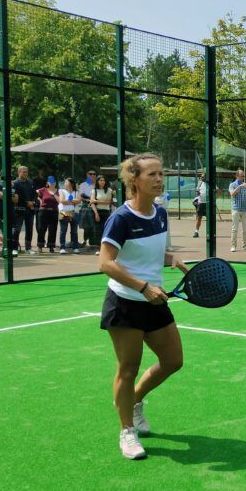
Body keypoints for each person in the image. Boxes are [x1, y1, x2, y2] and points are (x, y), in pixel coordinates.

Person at [98, 153, 188, 460]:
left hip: (154, 300)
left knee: (173, 360)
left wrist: (171, 258)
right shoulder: (121, 219)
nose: (159, 179)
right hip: (126, 302)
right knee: (128, 368)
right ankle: (127, 431)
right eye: (152, 174)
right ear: (133, 179)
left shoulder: (160, 213)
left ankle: (133, 400)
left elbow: (148, 253)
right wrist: (142, 287)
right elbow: (105, 263)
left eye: (161, 173)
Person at [11, 165, 36, 255]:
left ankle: (28, 248)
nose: (26, 173)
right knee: (16, 229)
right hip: (19, 209)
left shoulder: (30, 182)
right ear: (19, 172)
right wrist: (26, 203)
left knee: (29, 229)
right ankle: (14, 248)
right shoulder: (14, 183)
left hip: (30, 209)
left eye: (27, 172)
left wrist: (33, 202)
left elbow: (34, 194)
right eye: (24, 172)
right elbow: (14, 197)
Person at [57, 178, 81, 254]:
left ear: (71, 184)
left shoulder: (76, 192)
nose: (65, 183)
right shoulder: (62, 191)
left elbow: (79, 200)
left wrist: (68, 201)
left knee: (74, 231)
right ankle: (62, 247)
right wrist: (73, 202)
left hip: (73, 212)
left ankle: (75, 247)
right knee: (63, 231)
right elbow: (62, 201)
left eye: (66, 182)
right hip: (63, 212)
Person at [36, 176, 59, 253]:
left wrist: (53, 193)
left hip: (54, 211)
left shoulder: (58, 191)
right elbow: (36, 192)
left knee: (53, 229)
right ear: (47, 183)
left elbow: (59, 201)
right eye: (50, 182)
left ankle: (51, 246)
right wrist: (39, 199)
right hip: (43, 211)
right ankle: (40, 246)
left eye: (53, 182)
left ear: (55, 183)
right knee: (41, 229)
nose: (52, 183)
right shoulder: (43, 190)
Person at [91, 175, 113, 255]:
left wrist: (96, 201)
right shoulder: (94, 190)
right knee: (98, 230)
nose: (102, 182)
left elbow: (108, 202)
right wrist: (96, 213)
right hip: (97, 211)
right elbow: (92, 202)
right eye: (101, 180)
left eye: (103, 180)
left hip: (106, 212)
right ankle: (98, 248)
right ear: (97, 181)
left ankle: (105, 248)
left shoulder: (109, 190)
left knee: (106, 230)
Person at [229, 169, 246, 252]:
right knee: (235, 229)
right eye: (242, 176)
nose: (243, 177)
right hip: (236, 209)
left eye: (244, 176)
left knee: (245, 229)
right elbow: (232, 194)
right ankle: (233, 246)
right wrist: (240, 186)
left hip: (244, 209)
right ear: (237, 176)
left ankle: (245, 245)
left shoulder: (245, 185)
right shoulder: (232, 185)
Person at [79, 169, 97, 249]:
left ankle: (93, 242)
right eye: (90, 174)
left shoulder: (97, 184)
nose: (92, 175)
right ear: (87, 175)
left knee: (94, 225)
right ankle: (85, 240)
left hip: (96, 205)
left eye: (94, 174)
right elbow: (80, 196)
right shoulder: (83, 185)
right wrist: (88, 200)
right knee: (86, 225)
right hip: (86, 205)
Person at [192, 172, 207, 238]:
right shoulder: (200, 183)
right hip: (200, 203)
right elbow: (197, 192)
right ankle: (196, 232)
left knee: (210, 219)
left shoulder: (211, 183)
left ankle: (210, 233)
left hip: (208, 204)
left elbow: (218, 191)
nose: (201, 178)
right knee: (199, 218)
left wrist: (214, 198)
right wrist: (198, 192)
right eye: (201, 176)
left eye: (203, 177)